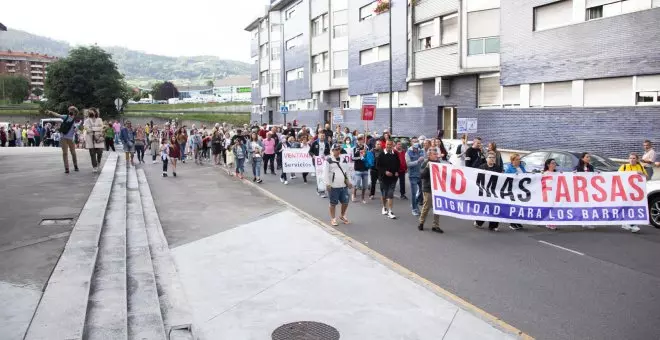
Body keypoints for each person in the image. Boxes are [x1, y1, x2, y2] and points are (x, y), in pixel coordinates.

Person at [45, 106, 81, 173]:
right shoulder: (66, 117)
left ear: (74, 112)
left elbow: (76, 129)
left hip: (71, 138)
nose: (70, 112)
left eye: (71, 110)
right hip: (63, 137)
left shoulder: (76, 120)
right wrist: (50, 112)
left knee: (73, 153)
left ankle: (75, 166)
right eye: (69, 110)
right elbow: (57, 115)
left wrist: (76, 129)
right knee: (65, 153)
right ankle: (66, 168)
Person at [324, 144, 352, 226]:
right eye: (336, 149)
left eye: (339, 149)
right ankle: (333, 219)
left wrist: (349, 182)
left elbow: (347, 172)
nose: (338, 151)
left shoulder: (344, 160)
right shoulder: (328, 160)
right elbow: (325, 173)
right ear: (332, 150)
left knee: (346, 202)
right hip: (333, 186)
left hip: (343, 185)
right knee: (333, 203)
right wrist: (327, 184)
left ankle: (342, 215)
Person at [474, 152, 503, 231]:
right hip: (484, 191)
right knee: (484, 207)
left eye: (493, 157)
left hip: (494, 191)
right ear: (486, 159)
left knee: (495, 207)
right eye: (490, 157)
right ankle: (479, 222)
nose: (492, 159)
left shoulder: (498, 168)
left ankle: (493, 225)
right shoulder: (482, 167)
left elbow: (502, 179)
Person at [618, 153, 646, 233]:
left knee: (634, 207)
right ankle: (627, 223)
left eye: (634, 158)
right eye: (630, 158)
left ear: (637, 159)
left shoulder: (640, 167)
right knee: (626, 207)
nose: (632, 160)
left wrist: (642, 174)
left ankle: (632, 224)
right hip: (625, 190)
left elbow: (646, 178)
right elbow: (616, 176)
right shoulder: (624, 167)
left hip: (636, 192)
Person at [418, 148, 443, 233]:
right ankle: (421, 222)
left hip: (437, 188)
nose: (436, 156)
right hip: (428, 188)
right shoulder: (425, 163)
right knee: (426, 206)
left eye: (436, 154)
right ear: (429, 155)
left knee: (437, 207)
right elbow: (422, 175)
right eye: (434, 154)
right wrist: (427, 167)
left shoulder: (438, 163)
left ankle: (435, 225)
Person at [377, 140, 400, 219]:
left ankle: (390, 211)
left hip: (393, 178)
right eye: (388, 144)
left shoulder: (395, 154)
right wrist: (385, 172)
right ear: (385, 145)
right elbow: (378, 166)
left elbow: (398, 164)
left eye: (391, 144)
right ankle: (384, 207)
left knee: (390, 194)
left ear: (392, 145)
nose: (389, 146)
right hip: (383, 178)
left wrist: (397, 171)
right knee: (384, 194)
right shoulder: (381, 154)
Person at [504, 153, 527, 230]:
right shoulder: (509, 169)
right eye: (517, 159)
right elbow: (505, 178)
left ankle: (518, 221)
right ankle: (512, 223)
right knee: (513, 206)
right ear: (512, 160)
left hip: (521, 190)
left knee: (520, 206)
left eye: (519, 159)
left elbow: (526, 175)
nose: (519, 161)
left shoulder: (521, 167)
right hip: (513, 190)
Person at [310, 131, 331, 197]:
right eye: (321, 136)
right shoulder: (315, 143)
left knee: (324, 175)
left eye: (323, 136)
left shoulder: (326, 143)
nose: (322, 137)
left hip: (324, 161)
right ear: (318, 136)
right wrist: (313, 155)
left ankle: (323, 190)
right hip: (316, 162)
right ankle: (320, 190)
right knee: (319, 175)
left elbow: (328, 152)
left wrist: (326, 156)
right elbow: (310, 151)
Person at [83, 108, 105, 173]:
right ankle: (94, 166)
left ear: (96, 112)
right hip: (90, 138)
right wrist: (96, 128)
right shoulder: (87, 120)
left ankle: (98, 162)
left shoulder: (99, 119)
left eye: (93, 111)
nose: (92, 113)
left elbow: (101, 128)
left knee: (100, 152)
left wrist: (92, 128)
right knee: (92, 154)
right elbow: (87, 129)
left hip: (98, 138)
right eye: (90, 112)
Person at [406, 142, 424, 216]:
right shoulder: (408, 153)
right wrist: (418, 161)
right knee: (414, 192)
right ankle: (414, 209)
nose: (416, 150)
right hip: (413, 175)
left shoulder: (421, 151)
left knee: (422, 191)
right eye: (414, 148)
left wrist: (423, 160)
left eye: (417, 148)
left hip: (421, 174)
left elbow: (424, 160)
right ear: (412, 147)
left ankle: (414, 203)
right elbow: (408, 164)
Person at [541, 158, 559, 231]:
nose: (554, 165)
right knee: (550, 207)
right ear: (548, 164)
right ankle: (549, 222)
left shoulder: (557, 173)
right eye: (553, 163)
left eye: (555, 163)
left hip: (556, 192)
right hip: (548, 193)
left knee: (555, 207)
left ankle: (552, 222)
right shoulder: (545, 173)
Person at [352, 135, 369, 204]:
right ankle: (354, 195)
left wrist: (365, 155)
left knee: (364, 185)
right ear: (357, 141)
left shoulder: (366, 147)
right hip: (358, 169)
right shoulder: (354, 148)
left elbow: (368, 156)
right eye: (358, 140)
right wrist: (360, 157)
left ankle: (363, 198)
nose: (360, 141)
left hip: (365, 168)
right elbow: (352, 158)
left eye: (361, 139)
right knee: (357, 183)